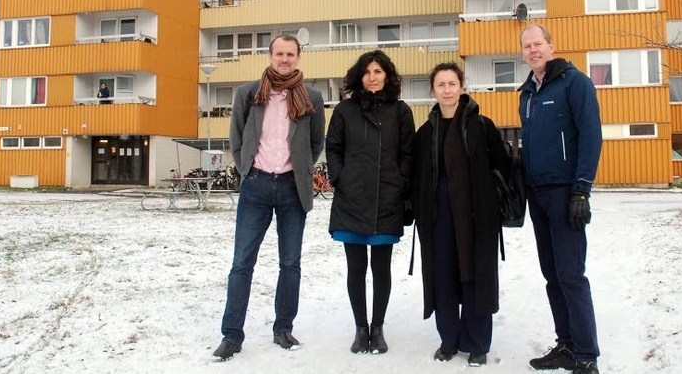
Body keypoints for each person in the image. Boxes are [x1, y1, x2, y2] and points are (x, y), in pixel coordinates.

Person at [211, 35, 326, 362]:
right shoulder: (248, 93)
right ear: (270, 55)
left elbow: (316, 142)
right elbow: (237, 136)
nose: (285, 59)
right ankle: (232, 335)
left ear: (298, 57)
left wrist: (300, 169)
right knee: (241, 263)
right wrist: (246, 168)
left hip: (293, 188)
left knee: (290, 263)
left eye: (290, 54)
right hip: (257, 186)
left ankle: (283, 328)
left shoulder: (312, 98)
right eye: (279, 53)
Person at [409, 62, 511, 367]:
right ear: (433, 90)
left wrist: (489, 201)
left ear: (462, 87)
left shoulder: (482, 126)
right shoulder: (426, 132)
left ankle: (478, 343)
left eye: (452, 84)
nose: (447, 90)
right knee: (443, 276)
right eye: (440, 85)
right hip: (438, 217)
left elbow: (502, 167)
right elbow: (416, 176)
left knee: (475, 274)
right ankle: (449, 339)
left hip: (476, 216)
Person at [518, 24, 603, 374]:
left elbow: (591, 136)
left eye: (538, 43)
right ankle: (566, 343)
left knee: (571, 274)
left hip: (566, 193)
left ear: (551, 45)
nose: (533, 50)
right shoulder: (527, 93)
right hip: (537, 195)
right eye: (527, 46)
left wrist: (582, 188)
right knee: (551, 274)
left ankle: (586, 355)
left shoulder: (575, 82)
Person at [326, 50, 414, 355]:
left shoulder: (401, 111)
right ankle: (360, 328)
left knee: (381, 267)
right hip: (352, 199)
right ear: (359, 77)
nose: (373, 77)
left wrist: (400, 181)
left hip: (387, 198)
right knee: (355, 267)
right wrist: (340, 178)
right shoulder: (344, 111)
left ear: (387, 76)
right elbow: (333, 148)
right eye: (367, 72)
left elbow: (407, 153)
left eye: (378, 71)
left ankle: (377, 329)